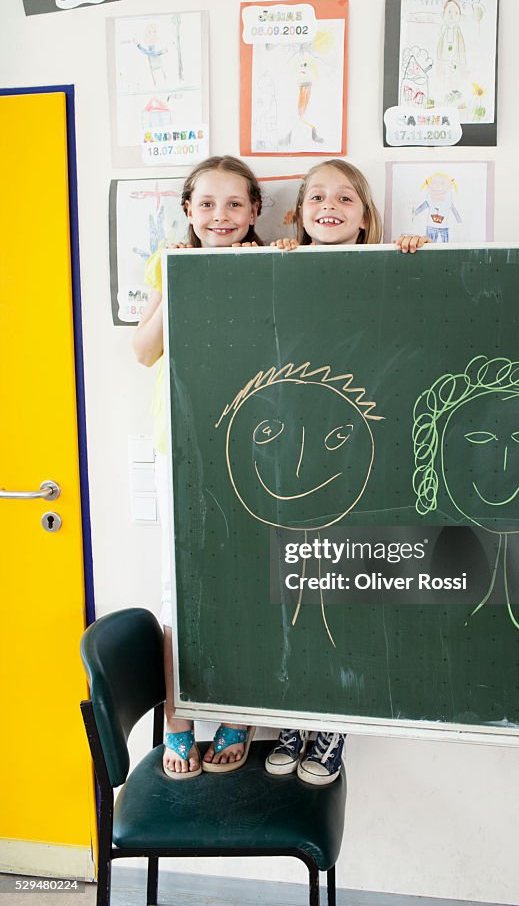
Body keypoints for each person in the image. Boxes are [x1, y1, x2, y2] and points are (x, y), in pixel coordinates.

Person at [265, 159, 428, 785]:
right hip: (290, 456)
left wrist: (411, 253)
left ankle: (329, 722)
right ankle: (289, 715)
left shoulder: (389, 263)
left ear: (366, 217)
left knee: (342, 593)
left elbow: (428, 322)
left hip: (361, 455)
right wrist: (274, 260)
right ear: (299, 214)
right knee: (287, 591)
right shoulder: (281, 266)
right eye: (315, 198)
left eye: (345, 198)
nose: (328, 206)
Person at [132, 155, 262, 779]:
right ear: (187, 211)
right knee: (176, 592)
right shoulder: (170, 263)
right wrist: (179, 278)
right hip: (180, 446)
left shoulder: (272, 260)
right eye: (206, 204)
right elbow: (143, 350)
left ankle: (238, 714)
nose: (220, 216)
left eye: (234, 204)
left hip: (248, 447)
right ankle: (179, 724)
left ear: (255, 211)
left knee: (245, 584)